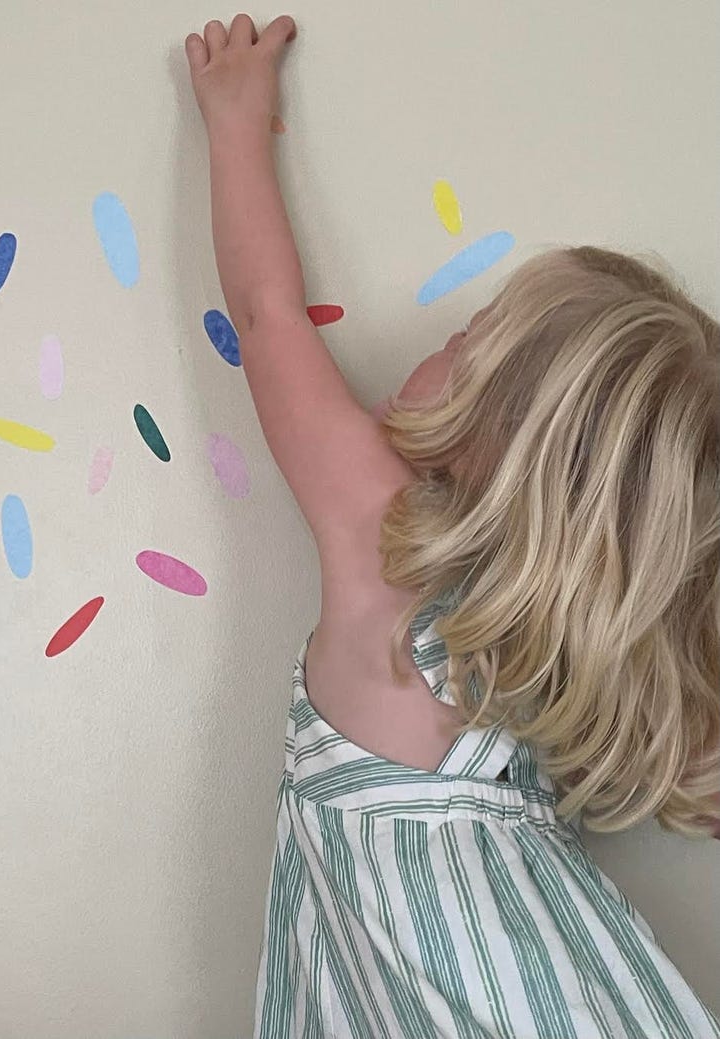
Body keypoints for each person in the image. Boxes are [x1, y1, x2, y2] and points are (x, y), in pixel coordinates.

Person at [184, 13, 720, 1037]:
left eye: (457, 341)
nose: (427, 353)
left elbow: (264, 314)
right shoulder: (554, 645)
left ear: (498, 433)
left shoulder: (383, 546)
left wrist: (232, 122)